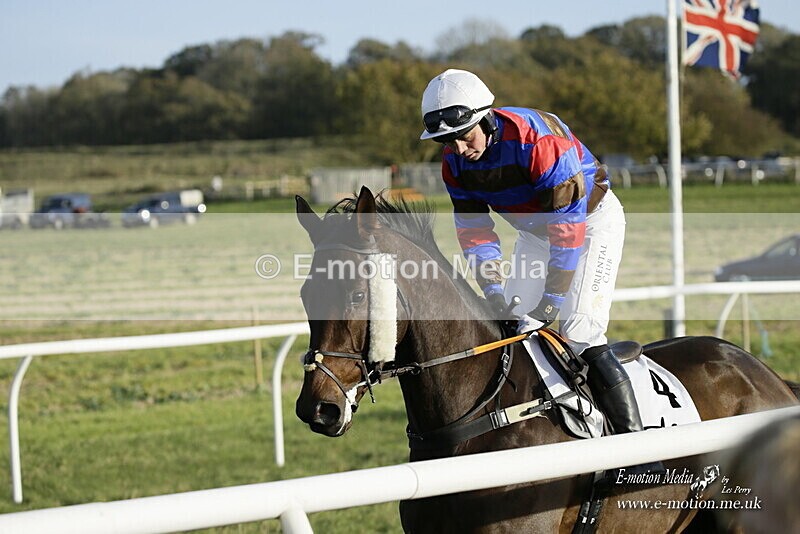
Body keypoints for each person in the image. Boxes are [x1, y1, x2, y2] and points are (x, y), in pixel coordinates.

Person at [419, 68, 652, 446]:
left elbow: (567, 230)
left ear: (485, 119)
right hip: (535, 233)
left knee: (578, 331)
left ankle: (637, 449)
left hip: (589, 222)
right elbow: (475, 231)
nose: (459, 149)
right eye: (446, 141)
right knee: (511, 329)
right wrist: (492, 288)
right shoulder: (454, 163)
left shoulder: (539, 141)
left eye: (463, 136)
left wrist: (551, 302)